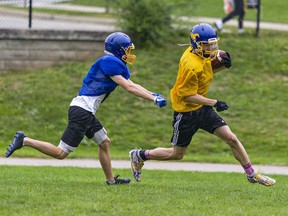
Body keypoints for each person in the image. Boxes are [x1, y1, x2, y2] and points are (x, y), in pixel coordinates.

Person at [5, 32, 167, 185]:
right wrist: (152, 98)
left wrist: (153, 94)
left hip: (85, 111)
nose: (130, 53)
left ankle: (111, 180)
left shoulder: (109, 62)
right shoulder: (110, 62)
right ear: (118, 50)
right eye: (127, 49)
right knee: (61, 153)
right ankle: (25, 140)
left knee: (104, 142)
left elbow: (132, 84)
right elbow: (129, 88)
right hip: (82, 112)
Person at [129, 23, 276, 187]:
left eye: (213, 43)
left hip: (202, 109)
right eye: (207, 45)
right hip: (186, 113)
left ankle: (251, 174)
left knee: (231, 138)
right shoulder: (191, 64)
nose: (212, 48)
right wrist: (215, 102)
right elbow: (188, 95)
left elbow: (204, 75)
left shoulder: (201, 55)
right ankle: (140, 155)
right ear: (196, 44)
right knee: (177, 154)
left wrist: (220, 64)